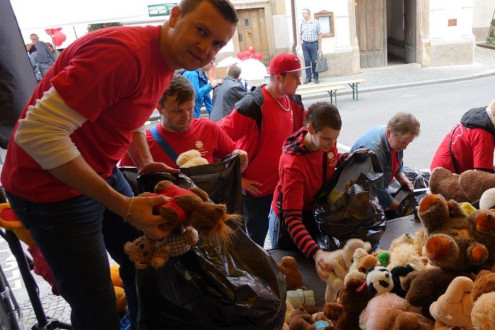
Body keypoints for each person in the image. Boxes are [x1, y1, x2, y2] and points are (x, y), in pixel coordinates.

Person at [0, 0, 238, 328]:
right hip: (48, 189)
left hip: (101, 168)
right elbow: (35, 133)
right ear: (175, 16)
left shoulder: (167, 59)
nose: (206, 48)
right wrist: (125, 206)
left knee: (144, 263)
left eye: (217, 43)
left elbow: (127, 115)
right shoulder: (123, 56)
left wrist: (145, 164)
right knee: (96, 304)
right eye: (201, 31)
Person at [217, 53, 306, 246]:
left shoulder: (294, 103)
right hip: (256, 192)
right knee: (255, 242)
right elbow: (217, 138)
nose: (300, 82)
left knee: (280, 238)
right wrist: (238, 180)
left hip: (282, 187)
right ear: (278, 77)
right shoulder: (253, 105)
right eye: (295, 77)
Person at [268, 102, 341, 279]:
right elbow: (292, 220)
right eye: (326, 139)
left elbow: (329, 161)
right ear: (310, 129)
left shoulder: (324, 144)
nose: (331, 144)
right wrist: (316, 253)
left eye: (335, 139)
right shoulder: (294, 165)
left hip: (311, 211)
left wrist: (348, 158)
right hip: (289, 223)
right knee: (293, 275)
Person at [120, 74, 245, 168]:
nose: (186, 116)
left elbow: (234, 158)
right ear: (159, 108)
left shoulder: (208, 128)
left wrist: (240, 176)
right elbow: (128, 185)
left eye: (190, 109)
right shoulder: (142, 144)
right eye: (177, 111)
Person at [430, 96, 495, 174]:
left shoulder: (478, 117)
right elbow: (482, 174)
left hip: (440, 165)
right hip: (447, 174)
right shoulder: (484, 135)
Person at [351, 112, 420, 213]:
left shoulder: (393, 137)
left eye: (408, 143)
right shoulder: (374, 154)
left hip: (376, 186)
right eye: (403, 142)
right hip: (359, 196)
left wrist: (401, 177)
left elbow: (397, 162)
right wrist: (401, 208)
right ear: (388, 133)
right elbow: (379, 193)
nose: (405, 147)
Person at [299, 8, 322, 84]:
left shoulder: (316, 22)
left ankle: (315, 77)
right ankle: (308, 77)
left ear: (308, 14)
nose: (303, 15)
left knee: (314, 60)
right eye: (302, 14)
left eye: (304, 13)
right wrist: (300, 40)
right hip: (305, 44)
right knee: (306, 60)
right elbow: (300, 32)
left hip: (313, 44)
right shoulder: (302, 23)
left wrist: (319, 46)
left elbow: (319, 34)